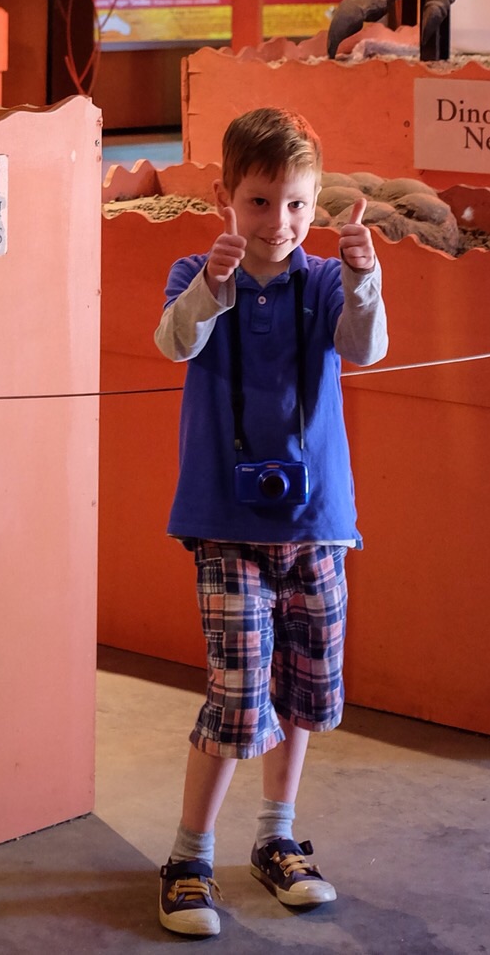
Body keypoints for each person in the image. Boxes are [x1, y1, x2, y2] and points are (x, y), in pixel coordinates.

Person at [152, 106, 387, 937]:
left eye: (294, 205)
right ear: (225, 196)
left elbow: (364, 347)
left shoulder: (323, 282)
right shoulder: (194, 269)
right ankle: (188, 856)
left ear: (315, 202)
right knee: (236, 694)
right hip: (224, 522)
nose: (277, 223)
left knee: (302, 692)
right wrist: (212, 288)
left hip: (319, 522)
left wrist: (363, 277)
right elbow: (175, 344)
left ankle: (277, 839)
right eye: (258, 203)